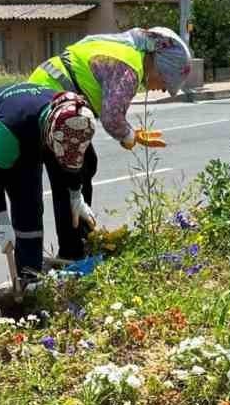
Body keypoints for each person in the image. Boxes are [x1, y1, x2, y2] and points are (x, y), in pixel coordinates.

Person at [28, 27, 193, 260]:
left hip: (43, 90)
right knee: (72, 175)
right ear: (159, 65)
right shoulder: (130, 68)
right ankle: (73, 254)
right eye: (166, 81)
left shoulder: (124, 48)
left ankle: (80, 242)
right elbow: (112, 118)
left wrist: (129, 132)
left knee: (87, 164)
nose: (164, 88)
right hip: (49, 102)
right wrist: (129, 137)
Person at [0, 85, 95, 304]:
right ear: (49, 132)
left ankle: (29, 277)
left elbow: (70, 161)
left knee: (29, 205)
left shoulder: (74, 122)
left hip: (23, 132)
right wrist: (2, 220)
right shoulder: (14, 126)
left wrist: (76, 195)